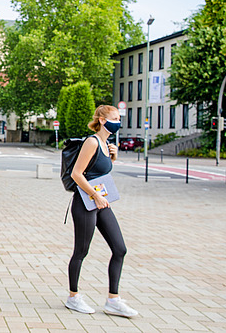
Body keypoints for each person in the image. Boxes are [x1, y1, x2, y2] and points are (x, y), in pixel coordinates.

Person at [64, 105, 138, 318]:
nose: (118, 121)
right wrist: (95, 195)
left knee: (120, 248)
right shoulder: (92, 141)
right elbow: (77, 174)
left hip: (101, 203)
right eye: (114, 118)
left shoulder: (107, 145)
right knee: (81, 251)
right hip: (85, 203)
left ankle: (113, 300)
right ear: (103, 120)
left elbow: (99, 172)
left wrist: (113, 158)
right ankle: (73, 297)